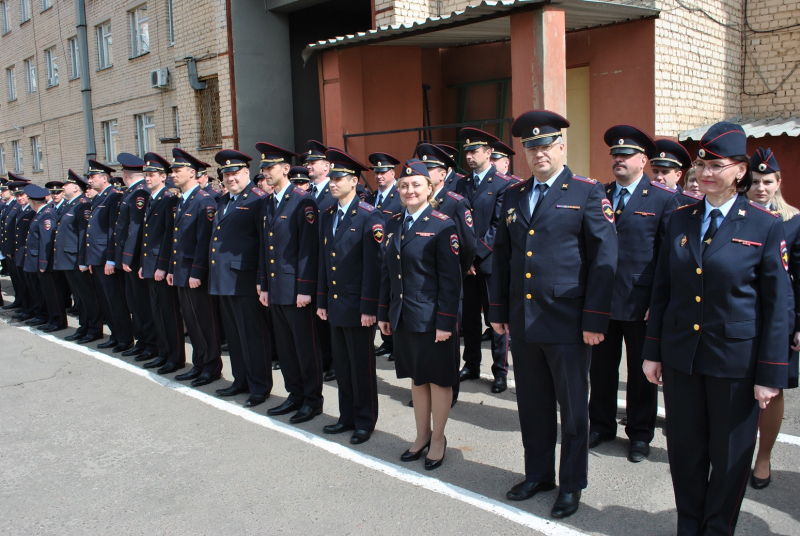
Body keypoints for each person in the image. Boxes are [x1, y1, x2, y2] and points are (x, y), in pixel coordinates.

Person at [642, 122, 788, 535]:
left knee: (729, 457)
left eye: (716, 165)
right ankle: (689, 524)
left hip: (735, 362)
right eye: (702, 163)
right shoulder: (680, 217)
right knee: (685, 451)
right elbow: (662, 288)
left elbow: (778, 306)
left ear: (740, 170)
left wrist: (770, 374)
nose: (705, 172)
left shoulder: (764, 224)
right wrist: (652, 351)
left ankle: (717, 528)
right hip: (682, 356)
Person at [489, 110, 618, 518]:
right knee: (532, 404)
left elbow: (604, 259)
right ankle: (539, 473)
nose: (539, 152)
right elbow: (504, 257)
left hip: (567, 320)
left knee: (573, 409)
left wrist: (596, 318)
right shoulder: (512, 195)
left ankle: (571, 484)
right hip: (524, 320)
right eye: (531, 146)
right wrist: (497, 310)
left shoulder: (588, 192)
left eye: (546, 145)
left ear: (562, 146)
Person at [589, 125, 679, 462]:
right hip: (602, 300)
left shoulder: (663, 199)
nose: (618, 159)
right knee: (600, 368)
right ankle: (599, 424)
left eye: (625, 155)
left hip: (641, 303)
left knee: (643, 374)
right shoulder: (599, 194)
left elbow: (668, 257)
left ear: (644, 160)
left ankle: (640, 434)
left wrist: (658, 303)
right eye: (615, 154)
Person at [378, 159, 461, 470]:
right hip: (403, 315)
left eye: (416, 185)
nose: (409, 190)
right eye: (404, 185)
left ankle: (438, 438)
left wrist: (446, 322)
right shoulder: (393, 224)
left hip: (431, 318)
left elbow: (451, 281)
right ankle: (421, 434)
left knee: (438, 380)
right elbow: (387, 272)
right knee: (417, 378)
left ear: (430, 188)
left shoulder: (442, 224)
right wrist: (383, 311)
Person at [317, 149, 383, 443]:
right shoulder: (328, 214)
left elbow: (374, 266)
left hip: (358, 306)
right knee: (342, 365)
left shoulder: (370, 215)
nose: (332, 183)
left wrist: (370, 307)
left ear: (354, 181)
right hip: (335, 303)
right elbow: (323, 261)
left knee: (362, 367)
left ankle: (365, 420)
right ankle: (346, 416)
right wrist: (321, 300)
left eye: (339, 178)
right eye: (331, 177)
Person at [746, 148, 799, 490]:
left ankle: (763, 457)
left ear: (779, 182)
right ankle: (734, 455)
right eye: (754, 181)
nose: (760, 188)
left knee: (773, 390)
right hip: (742, 319)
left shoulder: (794, 221)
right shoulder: (736, 216)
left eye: (767, 181)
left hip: (780, 319)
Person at [259, 143, 323, 423]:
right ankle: (294, 394)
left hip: (297, 290)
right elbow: (266, 247)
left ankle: (312, 400)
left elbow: (309, 250)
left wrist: (305, 288)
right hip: (276, 289)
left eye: (270, 168)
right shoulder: (267, 202)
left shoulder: (302, 201)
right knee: (285, 348)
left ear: (285, 169)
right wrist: (263, 284)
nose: (265, 173)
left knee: (305, 347)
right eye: (263, 169)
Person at [210, 149, 272, 407]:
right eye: (226, 174)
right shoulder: (224, 200)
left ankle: (260, 386)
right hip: (225, 279)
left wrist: (261, 278)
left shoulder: (258, 199)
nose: (230, 178)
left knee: (252, 336)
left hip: (246, 280)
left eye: (235, 173)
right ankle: (241, 381)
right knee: (235, 336)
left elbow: (263, 243)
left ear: (246, 172)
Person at [455, 127, 515, 394]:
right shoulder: (460, 184)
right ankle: (471, 364)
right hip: (464, 266)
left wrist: (474, 256)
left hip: (489, 264)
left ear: (488, 154)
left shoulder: (503, 185)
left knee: (496, 319)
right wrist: (463, 259)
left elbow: (497, 226)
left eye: (474, 151)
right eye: (466, 151)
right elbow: (457, 224)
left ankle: (500, 371)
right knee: (469, 318)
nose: (469, 156)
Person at [168, 148, 224, 387]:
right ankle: (199, 363)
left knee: (204, 322)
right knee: (191, 321)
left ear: (192, 173)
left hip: (194, 274)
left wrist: (197, 271)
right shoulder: (183, 200)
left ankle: (211, 367)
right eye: (172, 170)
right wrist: (172, 268)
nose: (173, 174)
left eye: (177, 170)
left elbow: (205, 240)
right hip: (181, 271)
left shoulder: (204, 201)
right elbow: (178, 239)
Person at [137, 153, 186, 374]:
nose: (148, 178)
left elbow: (169, 236)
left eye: (152, 175)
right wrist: (143, 264)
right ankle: (164, 353)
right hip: (150, 264)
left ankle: (175, 358)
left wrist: (162, 265)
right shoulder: (153, 197)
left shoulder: (169, 199)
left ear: (163, 177)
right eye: (146, 175)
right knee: (157, 313)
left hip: (161, 265)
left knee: (169, 314)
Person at [83, 160, 134, 353]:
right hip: (97, 258)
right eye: (89, 177)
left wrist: (111, 259)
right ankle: (115, 334)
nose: (89, 180)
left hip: (106, 259)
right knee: (106, 300)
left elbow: (114, 231)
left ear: (104, 178)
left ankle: (124, 338)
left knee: (115, 300)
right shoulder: (99, 198)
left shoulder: (113, 197)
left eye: (92, 177)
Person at [116, 153, 158, 360]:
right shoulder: (132, 192)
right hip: (131, 257)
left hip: (135, 258)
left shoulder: (139, 193)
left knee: (142, 304)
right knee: (135, 303)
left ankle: (150, 344)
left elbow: (136, 228)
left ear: (124, 174)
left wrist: (127, 257)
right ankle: (142, 341)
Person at [301, 140, 336, 382]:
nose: (308, 166)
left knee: (330, 317)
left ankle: (334, 360)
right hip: (311, 265)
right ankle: (323, 358)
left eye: (313, 162)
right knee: (317, 316)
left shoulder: (334, 193)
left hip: (329, 263)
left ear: (327, 166)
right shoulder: (307, 194)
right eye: (307, 163)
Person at [56, 170, 103, 344]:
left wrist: (84, 259)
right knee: (79, 297)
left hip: (77, 258)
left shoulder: (82, 205)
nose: (63, 187)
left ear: (76, 187)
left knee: (87, 297)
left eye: (66, 184)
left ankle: (94, 329)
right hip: (69, 258)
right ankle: (84, 327)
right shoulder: (71, 204)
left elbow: (84, 235)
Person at [366, 152, 403, 360]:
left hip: (391, 256)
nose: (378, 176)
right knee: (379, 300)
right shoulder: (370, 198)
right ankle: (386, 342)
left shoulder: (400, 196)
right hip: (373, 258)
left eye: (383, 172)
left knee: (392, 300)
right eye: (375, 172)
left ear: (392, 173)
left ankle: (396, 344)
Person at [23, 184, 67, 332]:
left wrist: (43, 262)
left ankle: (58, 320)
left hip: (44, 261)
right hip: (39, 260)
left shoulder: (46, 214)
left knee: (52, 292)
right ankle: (50, 318)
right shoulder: (42, 213)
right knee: (45, 292)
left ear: (33, 202)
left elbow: (46, 241)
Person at [650, 139, 702, 207]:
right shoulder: (642, 197)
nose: (659, 177)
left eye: (665, 172)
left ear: (678, 175)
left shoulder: (692, 203)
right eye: (655, 171)